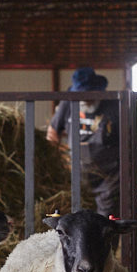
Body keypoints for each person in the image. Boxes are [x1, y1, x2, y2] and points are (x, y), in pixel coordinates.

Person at [46, 66, 120, 217]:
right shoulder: (68, 103)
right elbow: (53, 132)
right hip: (76, 174)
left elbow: (129, 140)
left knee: (106, 218)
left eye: (88, 95)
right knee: (77, 217)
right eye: (81, 95)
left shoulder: (114, 106)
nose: (85, 100)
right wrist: (55, 161)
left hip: (108, 177)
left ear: (98, 91)